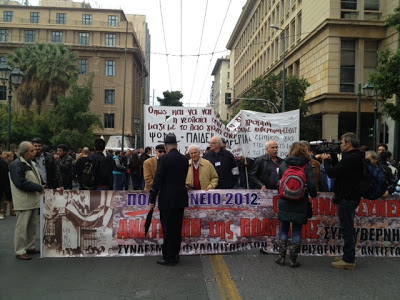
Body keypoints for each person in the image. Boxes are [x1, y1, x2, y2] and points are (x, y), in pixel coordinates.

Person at [321, 132, 363, 270]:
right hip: (350, 197)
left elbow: (332, 173)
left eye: (343, 143)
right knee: (348, 228)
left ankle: (349, 259)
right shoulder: (354, 157)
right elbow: (340, 170)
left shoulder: (351, 158)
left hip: (347, 198)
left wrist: (326, 161)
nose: (341, 146)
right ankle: (347, 255)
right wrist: (333, 160)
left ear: (349, 144)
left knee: (347, 229)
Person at [275, 142, 317, 267]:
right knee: (297, 230)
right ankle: (293, 260)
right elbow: (312, 185)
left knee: (284, 228)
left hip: (285, 201)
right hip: (300, 201)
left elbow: (278, 182)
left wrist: (283, 193)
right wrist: (313, 195)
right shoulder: (307, 166)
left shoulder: (284, 164)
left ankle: (281, 258)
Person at [149, 133, 189, 265]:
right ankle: (175, 254)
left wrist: (152, 198)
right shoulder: (184, 159)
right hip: (180, 198)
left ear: (166, 146)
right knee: (177, 228)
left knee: (167, 229)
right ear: (176, 145)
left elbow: (158, 181)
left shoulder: (164, 160)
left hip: (167, 199)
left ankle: (168, 257)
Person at [9, 141, 45, 260]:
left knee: (32, 226)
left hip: (32, 200)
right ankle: (20, 250)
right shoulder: (17, 164)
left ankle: (29, 246)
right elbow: (20, 182)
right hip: (24, 201)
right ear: (24, 152)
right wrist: (38, 187)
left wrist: (41, 184)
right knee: (22, 227)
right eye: (31, 150)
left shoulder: (30, 163)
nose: (34, 152)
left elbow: (34, 179)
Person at [0, 151, 13, 219]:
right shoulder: (3, 163)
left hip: (5, 182)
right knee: (5, 198)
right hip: (4, 182)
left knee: (6, 197)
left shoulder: (6, 163)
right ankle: (3, 212)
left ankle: (5, 212)